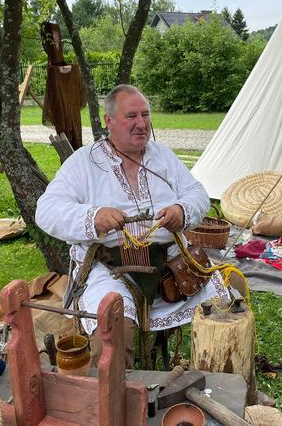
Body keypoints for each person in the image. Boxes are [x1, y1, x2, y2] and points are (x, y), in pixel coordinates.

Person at [35, 84, 229, 368]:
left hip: (170, 266)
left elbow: (197, 193)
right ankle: (115, 405)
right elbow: (47, 210)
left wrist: (182, 211)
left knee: (226, 308)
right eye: (131, 116)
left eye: (146, 115)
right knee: (113, 328)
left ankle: (218, 381)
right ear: (109, 121)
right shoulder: (84, 163)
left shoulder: (162, 156)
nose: (141, 124)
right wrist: (93, 217)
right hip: (110, 270)